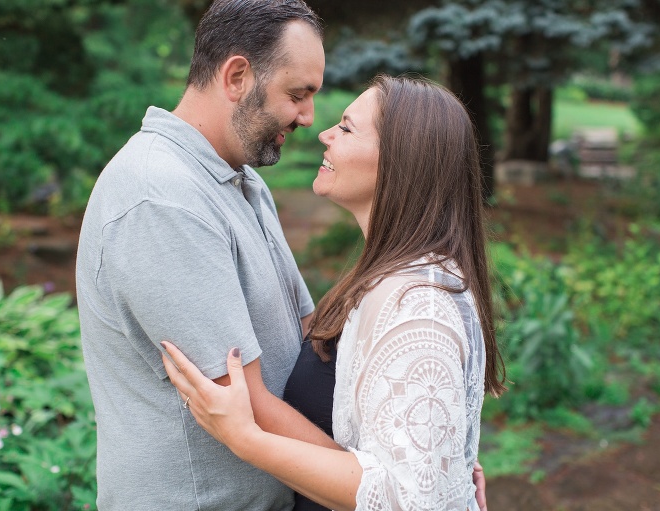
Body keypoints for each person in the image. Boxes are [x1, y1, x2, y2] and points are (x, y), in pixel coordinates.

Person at [161, 74, 507, 511]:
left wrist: (246, 439)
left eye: (346, 128)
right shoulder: (392, 277)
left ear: (401, 160)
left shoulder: (420, 303)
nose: (323, 133)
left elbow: (411, 499)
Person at [76, 1, 342, 509]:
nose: (308, 117)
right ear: (238, 76)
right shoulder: (160, 196)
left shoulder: (240, 178)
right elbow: (245, 402)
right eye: (297, 94)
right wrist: (373, 483)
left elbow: (309, 331)